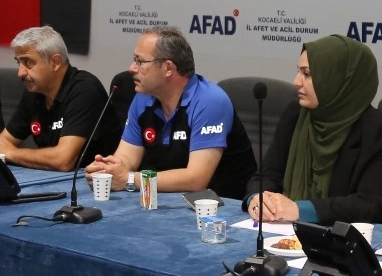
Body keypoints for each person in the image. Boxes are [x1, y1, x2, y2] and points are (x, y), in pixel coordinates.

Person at [243, 35, 382, 228]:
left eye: (307, 74)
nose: (296, 82)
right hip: (292, 232)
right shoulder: (296, 114)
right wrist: (258, 198)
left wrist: (300, 209)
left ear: (338, 79)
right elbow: (266, 176)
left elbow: (372, 203)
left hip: (372, 238)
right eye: (298, 72)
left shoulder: (379, 129)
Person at [84, 26, 256, 199]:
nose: (131, 68)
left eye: (140, 61)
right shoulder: (143, 97)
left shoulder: (210, 101)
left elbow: (196, 180)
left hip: (220, 206)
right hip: (163, 201)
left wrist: (129, 179)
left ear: (168, 68)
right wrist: (108, 169)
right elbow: (127, 158)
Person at [0, 25, 120, 171]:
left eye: (28, 62)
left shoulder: (85, 89)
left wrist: (11, 153)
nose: (20, 73)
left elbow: (63, 160)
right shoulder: (35, 91)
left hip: (91, 178)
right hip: (50, 175)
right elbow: (0, 144)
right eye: (19, 62)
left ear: (55, 62)